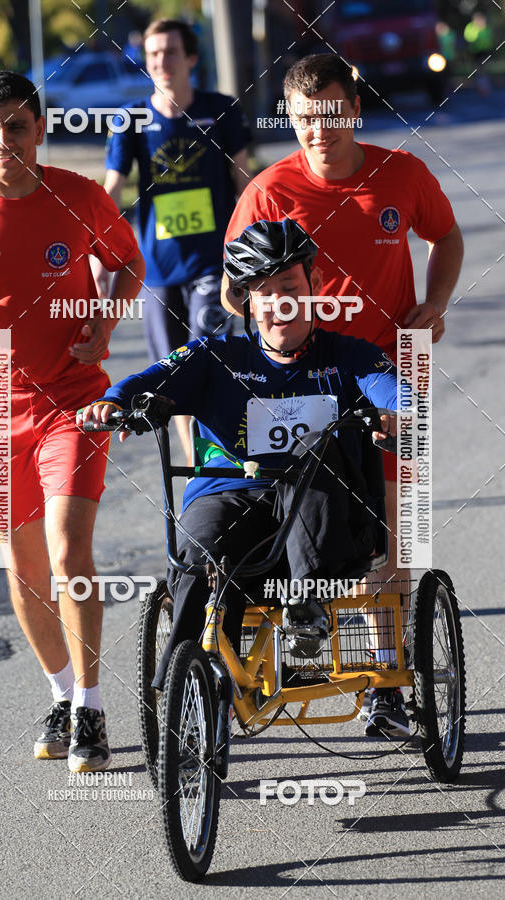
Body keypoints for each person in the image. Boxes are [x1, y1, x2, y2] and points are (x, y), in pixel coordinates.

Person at [80, 219, 409, 739]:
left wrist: (397, 416)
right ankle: (185, 677)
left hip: (320, 521)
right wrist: (115, 403)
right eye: (265, 293)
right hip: (232, 504)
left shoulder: (351, 356)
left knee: (316, 447)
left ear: (315, 286)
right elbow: (146, 381)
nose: (279, 304)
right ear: (245, 301)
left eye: (290, 290)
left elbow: (395, 391)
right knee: (195, 545)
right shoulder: (217, 358)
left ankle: (307, 607)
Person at [0, 71, 146, 772]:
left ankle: (93, 708)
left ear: (39, 129)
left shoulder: (78, 197)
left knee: (69, 552)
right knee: (23, 566)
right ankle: (62, 693)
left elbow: (127, 263)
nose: (3, 140)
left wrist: (103, 324)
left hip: (74, 398)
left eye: (17, 125)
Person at [221, 53, 464, 621]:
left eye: (331, 114)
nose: (318, 130)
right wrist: (274, 315)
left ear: (355, 108)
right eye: (305, 117)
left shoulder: (402, 174)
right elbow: (236, 290)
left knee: (390, 527)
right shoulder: (268, 192)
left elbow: (446, 238)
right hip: (301, 375)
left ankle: (385, 680)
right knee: (304, 512)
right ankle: (304, 630)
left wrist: (435, 303)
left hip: (389, 369)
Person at [104, 18, 252, 461]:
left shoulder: (221, 109)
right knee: (170, 379)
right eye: (152, 54)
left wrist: (252, 253)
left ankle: (220, 465)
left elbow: (245, 182)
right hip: (157, 269)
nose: (161, 62)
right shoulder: (130, 119)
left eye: (169, 52)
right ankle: (198, 470)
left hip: (215, 265)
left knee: (209, 362)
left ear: (190, 58)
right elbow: (112, 187)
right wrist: (91, 243)